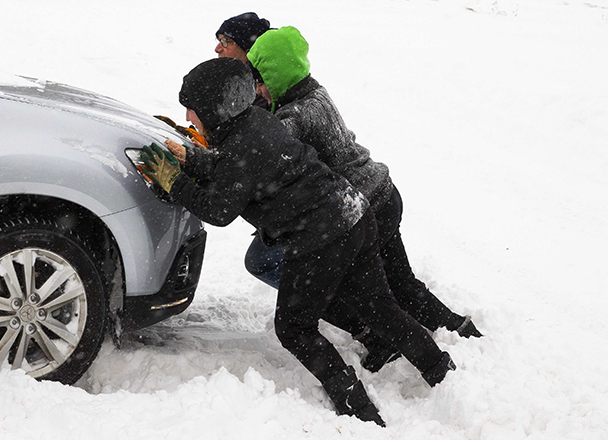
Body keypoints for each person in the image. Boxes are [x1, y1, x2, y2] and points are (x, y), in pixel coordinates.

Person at [140, 58, 456, 426]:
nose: (191, 119)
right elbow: (231, 168)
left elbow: (219, 208)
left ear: (214, 110)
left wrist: (173, 181)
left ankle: (356, 407)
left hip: (322, 237)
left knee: (294, 327)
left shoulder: (242, 144)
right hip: (353, 213)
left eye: (192, 112)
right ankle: (442, 371)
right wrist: (192, 158)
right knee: (379, 307)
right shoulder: (254, 123)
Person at [244, 26, 482, 348]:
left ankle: (413, 344)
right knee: (401, 286)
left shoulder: (297, 116)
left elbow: (265, 151)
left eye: (261, 81)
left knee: (374, 295)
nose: (259, 90)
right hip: (381, 193)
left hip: (364, 209)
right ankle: (459, 332)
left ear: (277, 76)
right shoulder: (312, 91)